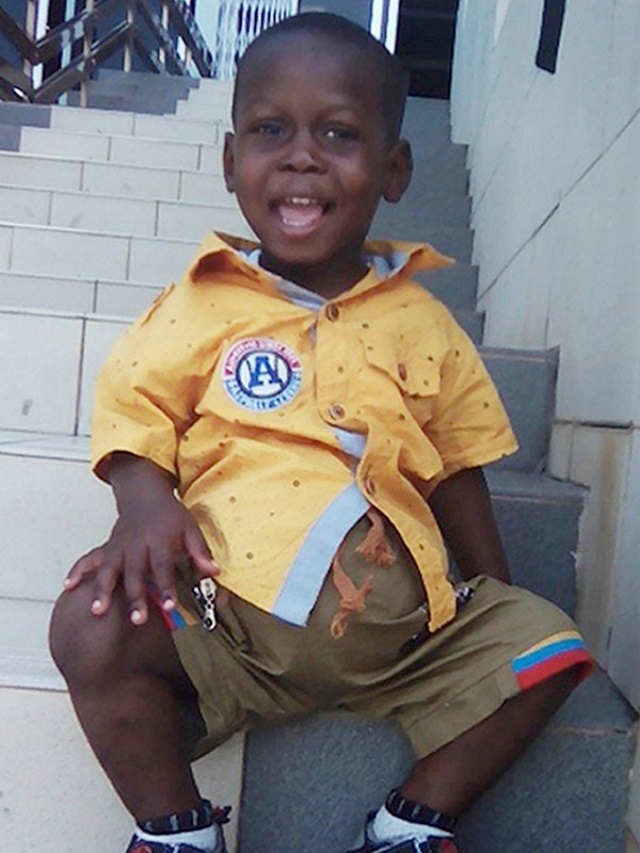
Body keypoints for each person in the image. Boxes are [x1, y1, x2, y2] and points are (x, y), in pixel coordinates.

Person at [49, 12, 592, 853]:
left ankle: (409, 823)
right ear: (231, 160)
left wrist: (493, 591)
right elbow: (135, 408)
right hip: (224, 622)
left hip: (408, 643)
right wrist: (143, 504)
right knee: (85, 625)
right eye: (271, 130)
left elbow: (456, 466)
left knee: (550, 646)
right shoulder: (200, 301)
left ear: (395, 168)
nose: (301, 156)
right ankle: (176, 830)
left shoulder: (423, 321)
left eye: (338, 133)